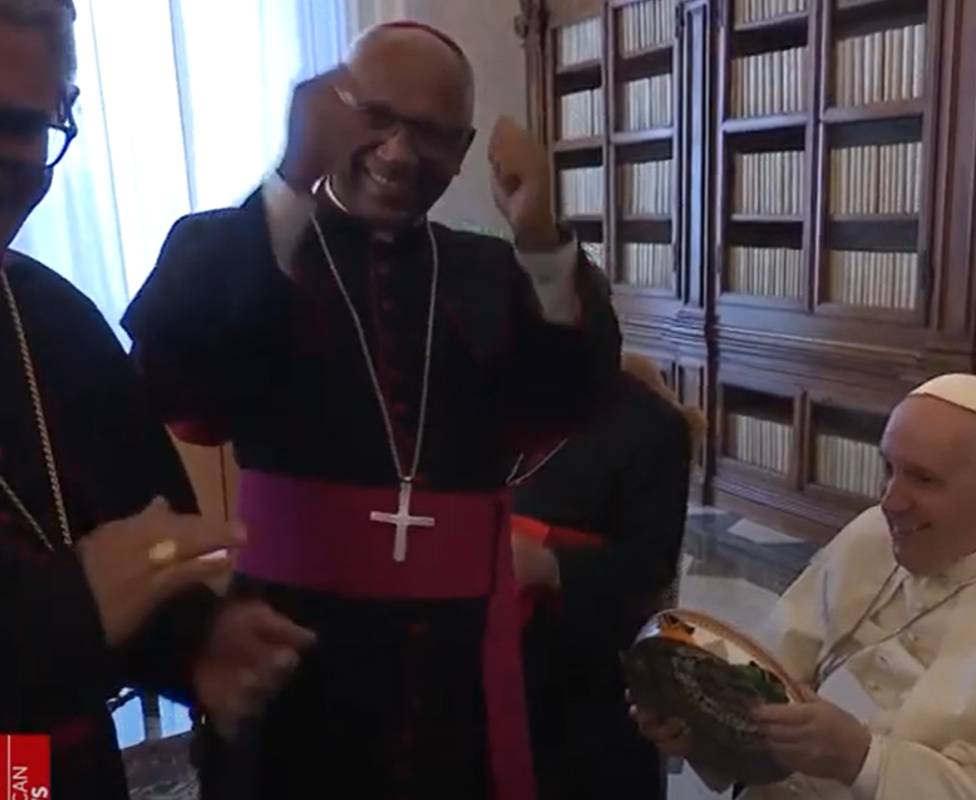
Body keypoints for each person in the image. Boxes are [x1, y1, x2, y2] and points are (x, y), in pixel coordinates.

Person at [120, 19, 621, 800]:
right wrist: (291, 175)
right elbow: (178, 386)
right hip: (290, 640)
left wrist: (538, 235)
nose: (397, 153)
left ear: (462, 151)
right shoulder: (245, 247)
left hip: (458, 657)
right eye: (376, 119)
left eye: (431, 135)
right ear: (332, 114)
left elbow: (567, 400)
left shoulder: (492, 272)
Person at [0, 3, 315, 799]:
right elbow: (82, 597)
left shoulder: (51, 319)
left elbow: (143, 543)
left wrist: (199, 639)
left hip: (42, 767)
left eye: (28, 127)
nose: (9, 158)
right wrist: (67, 611)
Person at [634, 373, 976, 799]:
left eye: (923, 479)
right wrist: (705, 734)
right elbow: (771, 681)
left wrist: (864, 760)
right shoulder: (873, 535)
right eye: (889, 469)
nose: (890, 502)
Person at [511, 352, 703, 800]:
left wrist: (547, 565)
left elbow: (649, 569)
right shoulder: (474, 398)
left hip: (587, 687)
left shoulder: (649, 425)